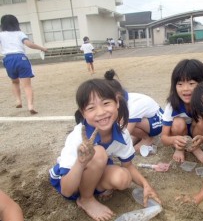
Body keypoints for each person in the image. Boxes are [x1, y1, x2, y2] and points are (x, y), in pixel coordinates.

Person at [49, 78, 161, 221]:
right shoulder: (77, 137)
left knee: (123, 178)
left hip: (94, 172)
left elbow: (128, 166)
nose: (101, 112)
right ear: (83, 113)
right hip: (70, 179)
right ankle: (86, 199)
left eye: (106, 103)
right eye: (91, 108)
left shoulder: (122, 133)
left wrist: (146, 185)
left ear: (117, 102)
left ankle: (91, 190)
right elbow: (66, 190)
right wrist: (81, 162)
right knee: (99, 152)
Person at [161, 59, 203, 163]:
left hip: (196, 132)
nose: (185, 89)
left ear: (202, 84)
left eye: (191, 83)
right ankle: (180, 149)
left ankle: (195, 148)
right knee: (178, 122)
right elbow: (164, 138)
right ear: (174, 86)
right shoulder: (172, 105)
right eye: (180, 84)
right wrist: (174, 140)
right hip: (179, 132)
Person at [104, 69, 164, 152]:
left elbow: (126, 131)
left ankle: (147, 139)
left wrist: (110, 149)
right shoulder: (123, 99)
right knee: (121, 120)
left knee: (124, 123)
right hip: (148, 120)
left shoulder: (132, 106)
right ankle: (139, 136)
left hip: (158, 123)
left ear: (117, 96)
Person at [0, 14, 47, 115]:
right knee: (27, 85)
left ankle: (18, 100)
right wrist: (42, 48)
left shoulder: (1, 35)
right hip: (21, 58)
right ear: (16, 23)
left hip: (8, 59)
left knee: (15, 82)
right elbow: (29, 44)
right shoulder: (20, 33)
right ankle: (30, 105)